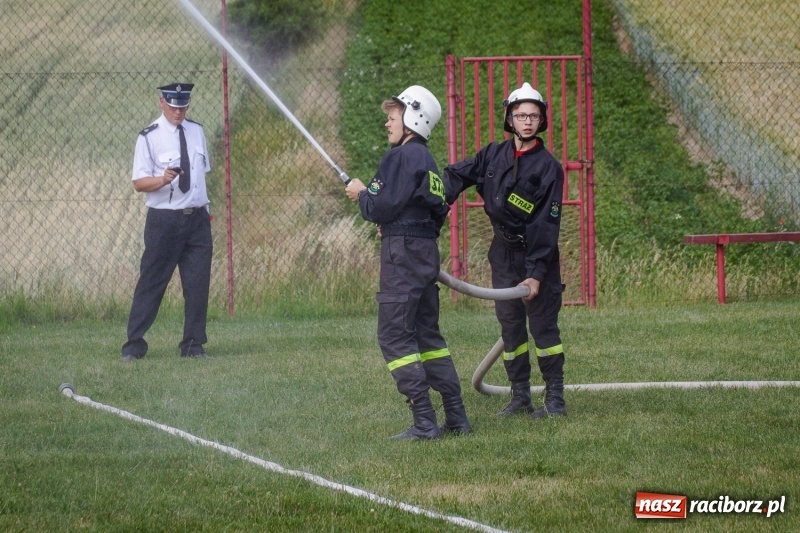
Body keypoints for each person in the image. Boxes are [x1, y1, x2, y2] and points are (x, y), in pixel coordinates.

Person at [345, 85, 472, 440]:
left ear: (413, 117)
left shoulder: (398, 158)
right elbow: (436, 210)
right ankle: (456, 417)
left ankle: (424, 422)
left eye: (393, 116)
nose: (387, 123)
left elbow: (378, 207)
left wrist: (361, 194)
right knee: (428, 335)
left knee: (395, 337)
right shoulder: (427, 161)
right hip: (424, 252)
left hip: (401, 255)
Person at [443, 82, 567, 418]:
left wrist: (536, 274)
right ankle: (520, 397)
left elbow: (546, 226)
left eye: (533, 115)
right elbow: (456, 174)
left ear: (541, 121)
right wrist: (434, 201)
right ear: (509, 118)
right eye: (520, 115)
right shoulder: (492, 156)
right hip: (503, 254)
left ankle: (555, 400)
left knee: (543, 329)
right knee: (510, 327)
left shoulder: (548, 168)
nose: (527, 121)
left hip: (535, 257)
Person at [121, 83, 213, 361]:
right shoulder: (148, 137)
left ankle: (193, 345)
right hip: (164, 221)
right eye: (173, 106)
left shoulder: (196, 131)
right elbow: (139, 183)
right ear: (161, 103)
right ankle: (134, 345)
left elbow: (200, 175)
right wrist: (162, 179)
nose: (178, 112)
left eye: (183, 106)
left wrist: (205, 209)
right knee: (152, 282)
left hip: (197, 219)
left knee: (197, 284)